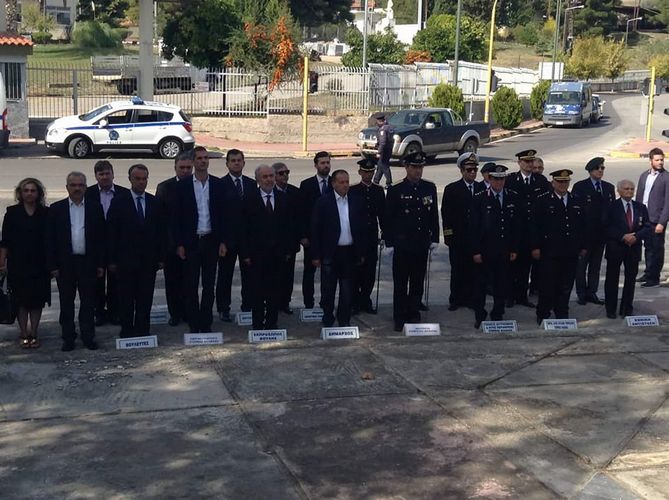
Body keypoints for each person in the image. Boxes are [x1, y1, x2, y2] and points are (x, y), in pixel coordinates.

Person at [47, 172, 106, 351]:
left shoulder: (95, 208)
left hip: (88, 262)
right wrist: (53, 265)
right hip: (65, 264)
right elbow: (50, 239)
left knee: (88, 302)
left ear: (85, 187)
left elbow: (101, 238)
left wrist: (100, 263)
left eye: (80, 185)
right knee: (66, 303)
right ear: (67, 187)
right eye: (73, 185)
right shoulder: (56, 209)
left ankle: (88, 336)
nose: (77, 188)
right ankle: (68, 337)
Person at [173, 146, 229, 333]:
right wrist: (179, 244)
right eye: (199, 158)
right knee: (190, 285)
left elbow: (223, 216)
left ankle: (206, 322)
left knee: (209, 284)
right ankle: (193, 322)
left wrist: (223, 241)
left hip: (211, 240)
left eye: (206, 158)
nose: (203, 161)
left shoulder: (218, 184)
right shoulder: (183, 186)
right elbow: (177, 217)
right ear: (193, 161)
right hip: (191, 242)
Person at [107, 165, 167, 338]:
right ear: (130, 179)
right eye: (137, 179)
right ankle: (127, 329)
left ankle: (143, 328)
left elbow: (161, 231)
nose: (141, 182)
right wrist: (111, 260)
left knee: (145, 297)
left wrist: (161, 257)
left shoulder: (154, 202)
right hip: (125, 260)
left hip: (148, 260)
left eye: (144, 179)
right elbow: (112, 232)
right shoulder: (119, 202)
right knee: (125, 297)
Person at [384, 152, 439, 332]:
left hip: (421, 243)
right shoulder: (396, 189)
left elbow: (433, 215)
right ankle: (399, 316)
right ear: (406, 167)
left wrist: (435, 238)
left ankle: (413, 311)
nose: (418, 171)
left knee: (417, 281)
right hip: (402, 244)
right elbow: (388, 219)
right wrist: (389, 242)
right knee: (401, 284)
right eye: (414, 167)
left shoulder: (429, 188)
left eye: (420, 167)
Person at [241, 165, 298, 329]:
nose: (269, 180)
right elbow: (243, 228)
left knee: (275, 290)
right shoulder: (249, 199)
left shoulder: (283, 199)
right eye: (265, 177)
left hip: (278, 254)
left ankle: (272, 323)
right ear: (258, 180)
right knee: (257, 291)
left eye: (271, 176)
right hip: (256, 255)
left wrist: (289, 250)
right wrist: (245, 253)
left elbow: (290, 227)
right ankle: (258, 324)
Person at [311, 169, 367, 327]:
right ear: (334, 183)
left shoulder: (356, 201)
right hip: (331, 252)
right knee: (328, 289)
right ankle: (328, 317)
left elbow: (362, 228)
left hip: (349, 252)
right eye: (341, 182)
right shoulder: (324, 202)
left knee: (347, 289)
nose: (345, 185)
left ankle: (344, 319)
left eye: (347, 182)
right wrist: (316, 255)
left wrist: (361, 251)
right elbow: (315, 229)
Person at [531, 169, 587, 325]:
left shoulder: (576, 200)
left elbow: (583, 226)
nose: (563, 185)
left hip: (570, 250)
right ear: (553, 182)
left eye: (566, 182)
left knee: (566, 284)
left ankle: (562, 312)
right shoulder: (543, 200)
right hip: (549, 250)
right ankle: (543, 313)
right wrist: (535, 247)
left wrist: (583, 246)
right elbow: (534, 226)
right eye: (560, 181)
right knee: (547, 284)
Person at [0, 178, 50, 348]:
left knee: (37, 300)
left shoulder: (45, 213)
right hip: (17, 263)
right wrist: (2, 263)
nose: (29, 193)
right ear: (20, 193)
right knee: (20, 300)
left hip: (40, 263)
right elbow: (5, 241)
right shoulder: (12, 212)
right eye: (26, 190)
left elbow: (51, 240)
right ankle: (23, 332)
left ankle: (34, 332)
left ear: (38, 193)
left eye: (32, 190)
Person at [469, 165, 521, 328]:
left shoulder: (512, 197)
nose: (499, 182)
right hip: (485, 250)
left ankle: (498, 313)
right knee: (480, 285)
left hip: (504, 249)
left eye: (502, 179)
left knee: (501, 284)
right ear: (490, 179)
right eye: (496, 179)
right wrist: (475, 251)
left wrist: (514, 248)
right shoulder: (479, 198)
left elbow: (516, 226)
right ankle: (480, 315)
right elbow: (474, 227)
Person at [85, 160, 129, 326]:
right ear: (96, 176)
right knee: (96, 281)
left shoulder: (124, 193)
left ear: (113, 174)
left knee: (116, 280)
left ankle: (114, 312)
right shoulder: (88, 193)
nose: (104, 177)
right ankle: (99, 312)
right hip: (95, 244)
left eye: (107, 173)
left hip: (116, 243)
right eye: (101, 174)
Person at [505, 149, 551, 308]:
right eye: (526, 161)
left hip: (533, 231)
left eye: (531, 161)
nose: (530, 164)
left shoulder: (540, 180)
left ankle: (522, 296)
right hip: (515, 230)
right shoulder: (511, 180)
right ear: (519, 162)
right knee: (512, 266)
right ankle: (509, 296)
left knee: (526, 266)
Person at [441, 152, 485, 311]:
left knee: (474, 271)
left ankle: (471, 298)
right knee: (458, 269)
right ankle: (456, 299)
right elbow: (446, 215)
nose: (472, 173)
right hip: (458, 237)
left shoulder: (482, 188)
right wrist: (449, 237)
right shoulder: (452, 189)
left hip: (476, 239)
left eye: (474, 170)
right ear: (461, 170)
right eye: (469, 170)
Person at [155, 150, 194, 326]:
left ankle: (188, 312)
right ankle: (175, 313)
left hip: (192, 243)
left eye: (188, 168)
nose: (185, 171)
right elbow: (160, 219)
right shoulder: (165, 187)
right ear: (175, 168)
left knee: (189, 282)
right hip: (170, 244)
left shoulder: (197, 186)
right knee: (172, 282)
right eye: (182, 168)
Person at [217, 148, 256, 321]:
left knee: (249, 275)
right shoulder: (220, 185)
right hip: (228, 238)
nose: (236, 163)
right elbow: (217, 214)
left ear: (244, 163)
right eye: (233, 161)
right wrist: (221, 241)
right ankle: (223, 308)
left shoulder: (251, 184)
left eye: (239, 160)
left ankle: (248, 306)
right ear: (227, 164)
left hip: (247, 238)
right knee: (225, 275)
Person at [604, 180, 652, 318]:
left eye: (631, 189)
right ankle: (611, 309)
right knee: (612, 279)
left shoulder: (640, 207)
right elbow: (606, 226)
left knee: (630, 280)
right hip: (616, 247)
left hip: (633, 248)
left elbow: (647, 226)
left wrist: (636, 236)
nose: (629, 191)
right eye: (626, 189)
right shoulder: (611, 207)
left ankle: (626, 308)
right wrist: (622, 236)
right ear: (619, 191)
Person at [572, 157, 615, 305]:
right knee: (581, 267)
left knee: (595, 267)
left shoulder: (608, 187)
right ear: (590, 171)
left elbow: (610, 211)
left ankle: (592, 292)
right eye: (598, 168)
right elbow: (576, 213)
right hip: (585, 235)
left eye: (603, 168)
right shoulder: (580, 187)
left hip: (601, 235)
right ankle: (581, 293)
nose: (600, 171)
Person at [349, 158, 385, 314]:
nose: (368, 175)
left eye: (371, 172)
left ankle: (365, 299)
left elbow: (382, 214)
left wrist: (385, 233)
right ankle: (355, 301)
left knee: (370, 272)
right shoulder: (353, 190)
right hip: (357, 236)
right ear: (360, 172)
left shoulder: (378, 190)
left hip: (371, 236)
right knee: (356, 271)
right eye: (365, 172)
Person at [299, 151, 332, 309]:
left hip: (330, 237)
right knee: (309, 271)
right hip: (311, 237)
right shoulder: (306, 185)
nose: (326, 166)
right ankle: (308, 304)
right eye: (322, 163)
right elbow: (302, 212)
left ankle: (326, 303)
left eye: (327, 162)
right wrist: (303, 235)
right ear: (316, 165)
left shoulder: (335, 183)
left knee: (329, 272)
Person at [272, 162, 303, 314]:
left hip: (290, 242)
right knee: (273, 275)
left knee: (287, 275)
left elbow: (299, 218)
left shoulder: (295, 192)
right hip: (272, 243)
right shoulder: (268, 192)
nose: (285, 175)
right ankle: (272, 303)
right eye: (281, 173)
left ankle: (285, 302)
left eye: (287, 172)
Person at [635, 148, 669, 287]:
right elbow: (639, 196)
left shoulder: (666, 177)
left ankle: (654, 278)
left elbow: (668, 202)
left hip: (657, 219)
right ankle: (648, 273)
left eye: (662, 160)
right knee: (648, 247)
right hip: (644, 218)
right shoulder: (644, 176)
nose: (660, 162)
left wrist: (662, 222)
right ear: (651, 161)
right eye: (657, 160)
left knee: (657, 249)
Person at [373, 114, 394, 188]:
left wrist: (379, 152)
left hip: (384, 150)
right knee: (380, 166)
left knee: (384, 166)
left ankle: (389, 183)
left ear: (379, 121)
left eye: (377, 122)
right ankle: (375, 182)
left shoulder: (383, 129)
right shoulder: (390, 127)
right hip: (389, 149)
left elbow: (383, 142)